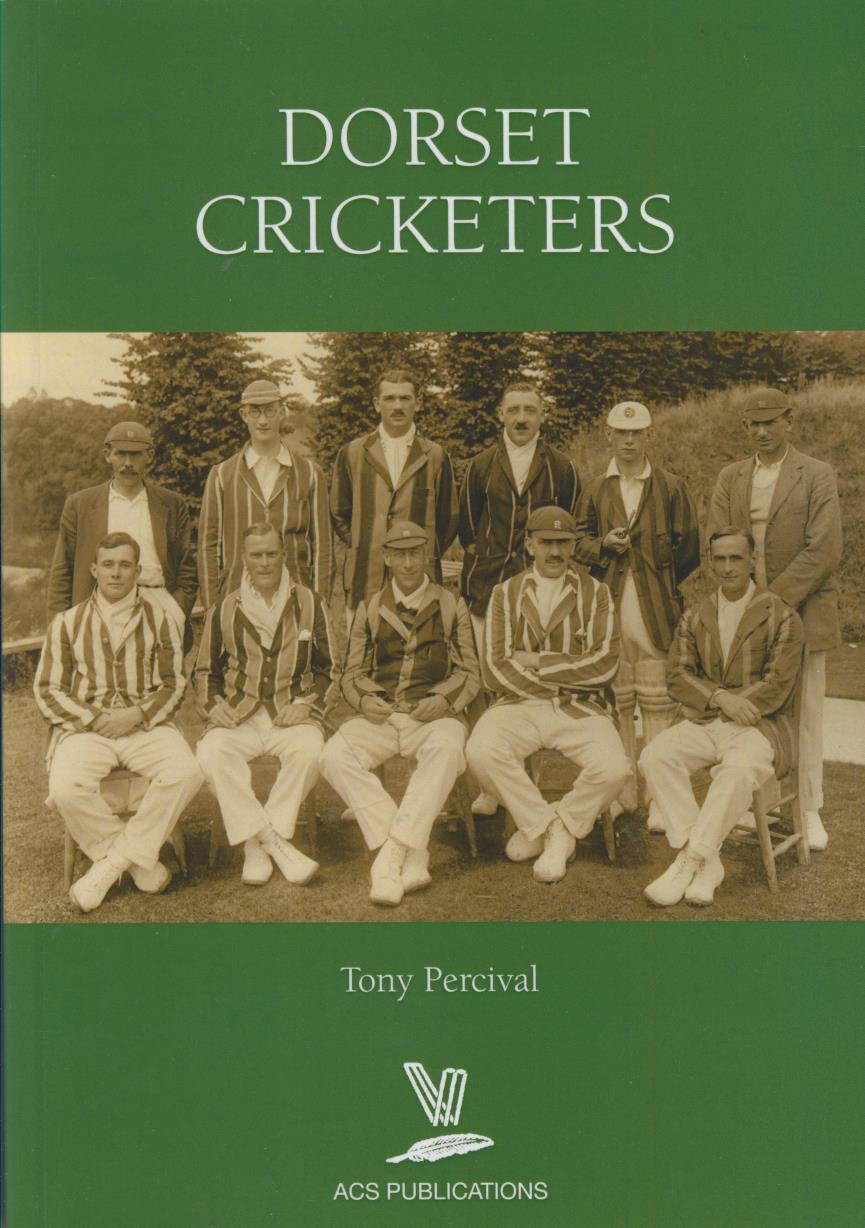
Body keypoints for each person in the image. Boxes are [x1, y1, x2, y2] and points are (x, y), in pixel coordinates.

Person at [34, 532, 203, 913]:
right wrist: (94, 717)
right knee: (64, 788)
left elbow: (175, 683)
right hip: (88, 729)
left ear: (137, 571)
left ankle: (110, 865)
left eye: (125, 565)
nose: (115, 573)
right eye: (108, 565)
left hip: (144, 725)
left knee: (188, 771)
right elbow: (47, 689)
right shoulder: (67, 623)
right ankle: (136, 860)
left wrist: (137, 714)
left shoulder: (161, 619)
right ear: (94, 570)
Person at [707, 387, 842, 850]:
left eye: (770, 422)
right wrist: (745, 601)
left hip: (801, 612)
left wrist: (770, 602)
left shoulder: (817, 474)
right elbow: (721, 538)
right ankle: (755, 802)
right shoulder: (730, 477)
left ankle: (808, 808)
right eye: (754, 424)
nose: (762, 432)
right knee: (751, 711)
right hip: (744, 614)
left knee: (805, 714)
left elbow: (824, 549)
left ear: (789, 421)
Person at [640, 528, 804, 907]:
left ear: (752, 560)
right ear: (710, 562)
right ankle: (708, 862)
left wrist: (724, 702)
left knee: (738, 769)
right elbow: (677, 675)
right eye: (719, 559)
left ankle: (690, 860)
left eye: (735, 558)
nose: (727, 568)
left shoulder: (782, 615)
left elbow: (778, 685)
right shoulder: (695, 615)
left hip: (760, 727)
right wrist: (720, 698)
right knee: (654, 757)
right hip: (708, 721)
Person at [466, 506, 631, 884]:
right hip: (518, 704)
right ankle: (547, 827)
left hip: (580, 707)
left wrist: (539, 661)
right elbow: (494, 669)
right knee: (480, 751)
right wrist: (566, 674)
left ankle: (562, 824)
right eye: (546, 543)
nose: (555, 552)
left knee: (614, 768)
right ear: (529, 545)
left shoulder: (597, 593)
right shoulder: (504, 593)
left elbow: (606, 665)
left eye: (563, 542)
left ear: (574, 545)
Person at [319, 521, 480, 907]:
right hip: (384, 715)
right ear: (387, 558)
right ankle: (411, 849)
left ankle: (390, 855)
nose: (408, 564)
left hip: (433, 716)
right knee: (334, 755)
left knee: (447, 749)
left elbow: (470, 673)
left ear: (426, 556)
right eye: (400, 555)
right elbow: (351, 673)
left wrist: (443, 700)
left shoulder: (450, 604)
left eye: (415, 554)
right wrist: (365, 701)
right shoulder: (370, 608)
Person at [574, 401, 700, 826]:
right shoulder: (595, 488)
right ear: (608, 435)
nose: (629, 441)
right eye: (621, 433)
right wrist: (603, 547)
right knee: (617, 698)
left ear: (648, 436)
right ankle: (622, 791)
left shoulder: (672, 487)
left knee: (658, 700)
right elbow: (577, 540)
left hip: (655, 612)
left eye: (637, 433)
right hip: (608, 609)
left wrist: (658, 580)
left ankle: (659, 797)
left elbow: (688, 550)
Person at [458, 380, 581, 815]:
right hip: (487, 587)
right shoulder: (479, 466)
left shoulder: (561, 468)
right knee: (489, 683)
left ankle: (529, 781)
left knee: (531, 683)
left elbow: (568, 526)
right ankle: (491, 785)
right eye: (514, 410)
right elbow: (467, 529)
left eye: (530, 409)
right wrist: (490, 561)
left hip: (539, 592)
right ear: (501, 415)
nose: (522, 418)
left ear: (542, 415)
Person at [194, 523, 333, 887]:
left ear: (284, 555)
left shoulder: (310, 602)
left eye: (272, 553)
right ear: (244, 558)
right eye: (256, 555)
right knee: (211, 754)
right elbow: (205, 672)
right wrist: (213, 705)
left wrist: (306, 705)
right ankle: (271, 843)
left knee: (311, 750)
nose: (265, 562)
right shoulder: (224, 608)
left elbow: (329, 670)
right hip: (240, 714)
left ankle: (257, 843)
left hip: (290, 713)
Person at [329, 368, 458, 624]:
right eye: (389, 398)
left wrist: (419, 551)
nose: (397, 406)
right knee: (363, 645)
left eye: (405, 398)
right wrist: (367, 542)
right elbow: (339, 512)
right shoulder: (353, 453)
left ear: (418, 403)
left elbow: (448, 519)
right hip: (366, 576)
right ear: (377, 404)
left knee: (419, 646)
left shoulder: (435, 456)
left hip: (419, 580)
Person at [46, 420, 196, 639]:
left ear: (150, 456)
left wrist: (177, 611)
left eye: (136, 455)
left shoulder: (172, 504)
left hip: (159, 607)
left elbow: (187, 568)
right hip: (98, 611)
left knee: (160, 663)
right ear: (107, 455)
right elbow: (62, 570)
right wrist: (59, 628)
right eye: (121, 454)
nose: (128, 463)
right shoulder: (80, 505)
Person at [198, 379, 333, 608]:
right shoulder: (221, 475)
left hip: (295, 600)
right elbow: (208, 547)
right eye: (254, 412)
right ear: (243, 415)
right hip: (238, 601)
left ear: (282, 412)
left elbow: (323, 548)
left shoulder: (310, 473)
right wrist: (214, 610)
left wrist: (318, 608)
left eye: (270, 411)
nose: (262, 420)